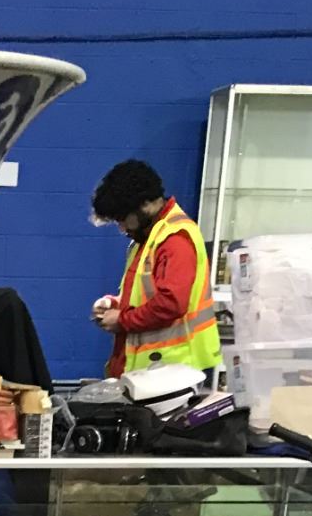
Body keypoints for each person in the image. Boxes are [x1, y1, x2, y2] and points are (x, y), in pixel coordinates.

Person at [90, 159, 221, 377]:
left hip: (169, 371)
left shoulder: (175, 239)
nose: (122, 228)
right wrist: (113, 304)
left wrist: (121, 319)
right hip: (149, 371)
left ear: (145, 205)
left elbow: (171, 303)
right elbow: (144, 297)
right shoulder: (149, 237)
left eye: (123, 219)